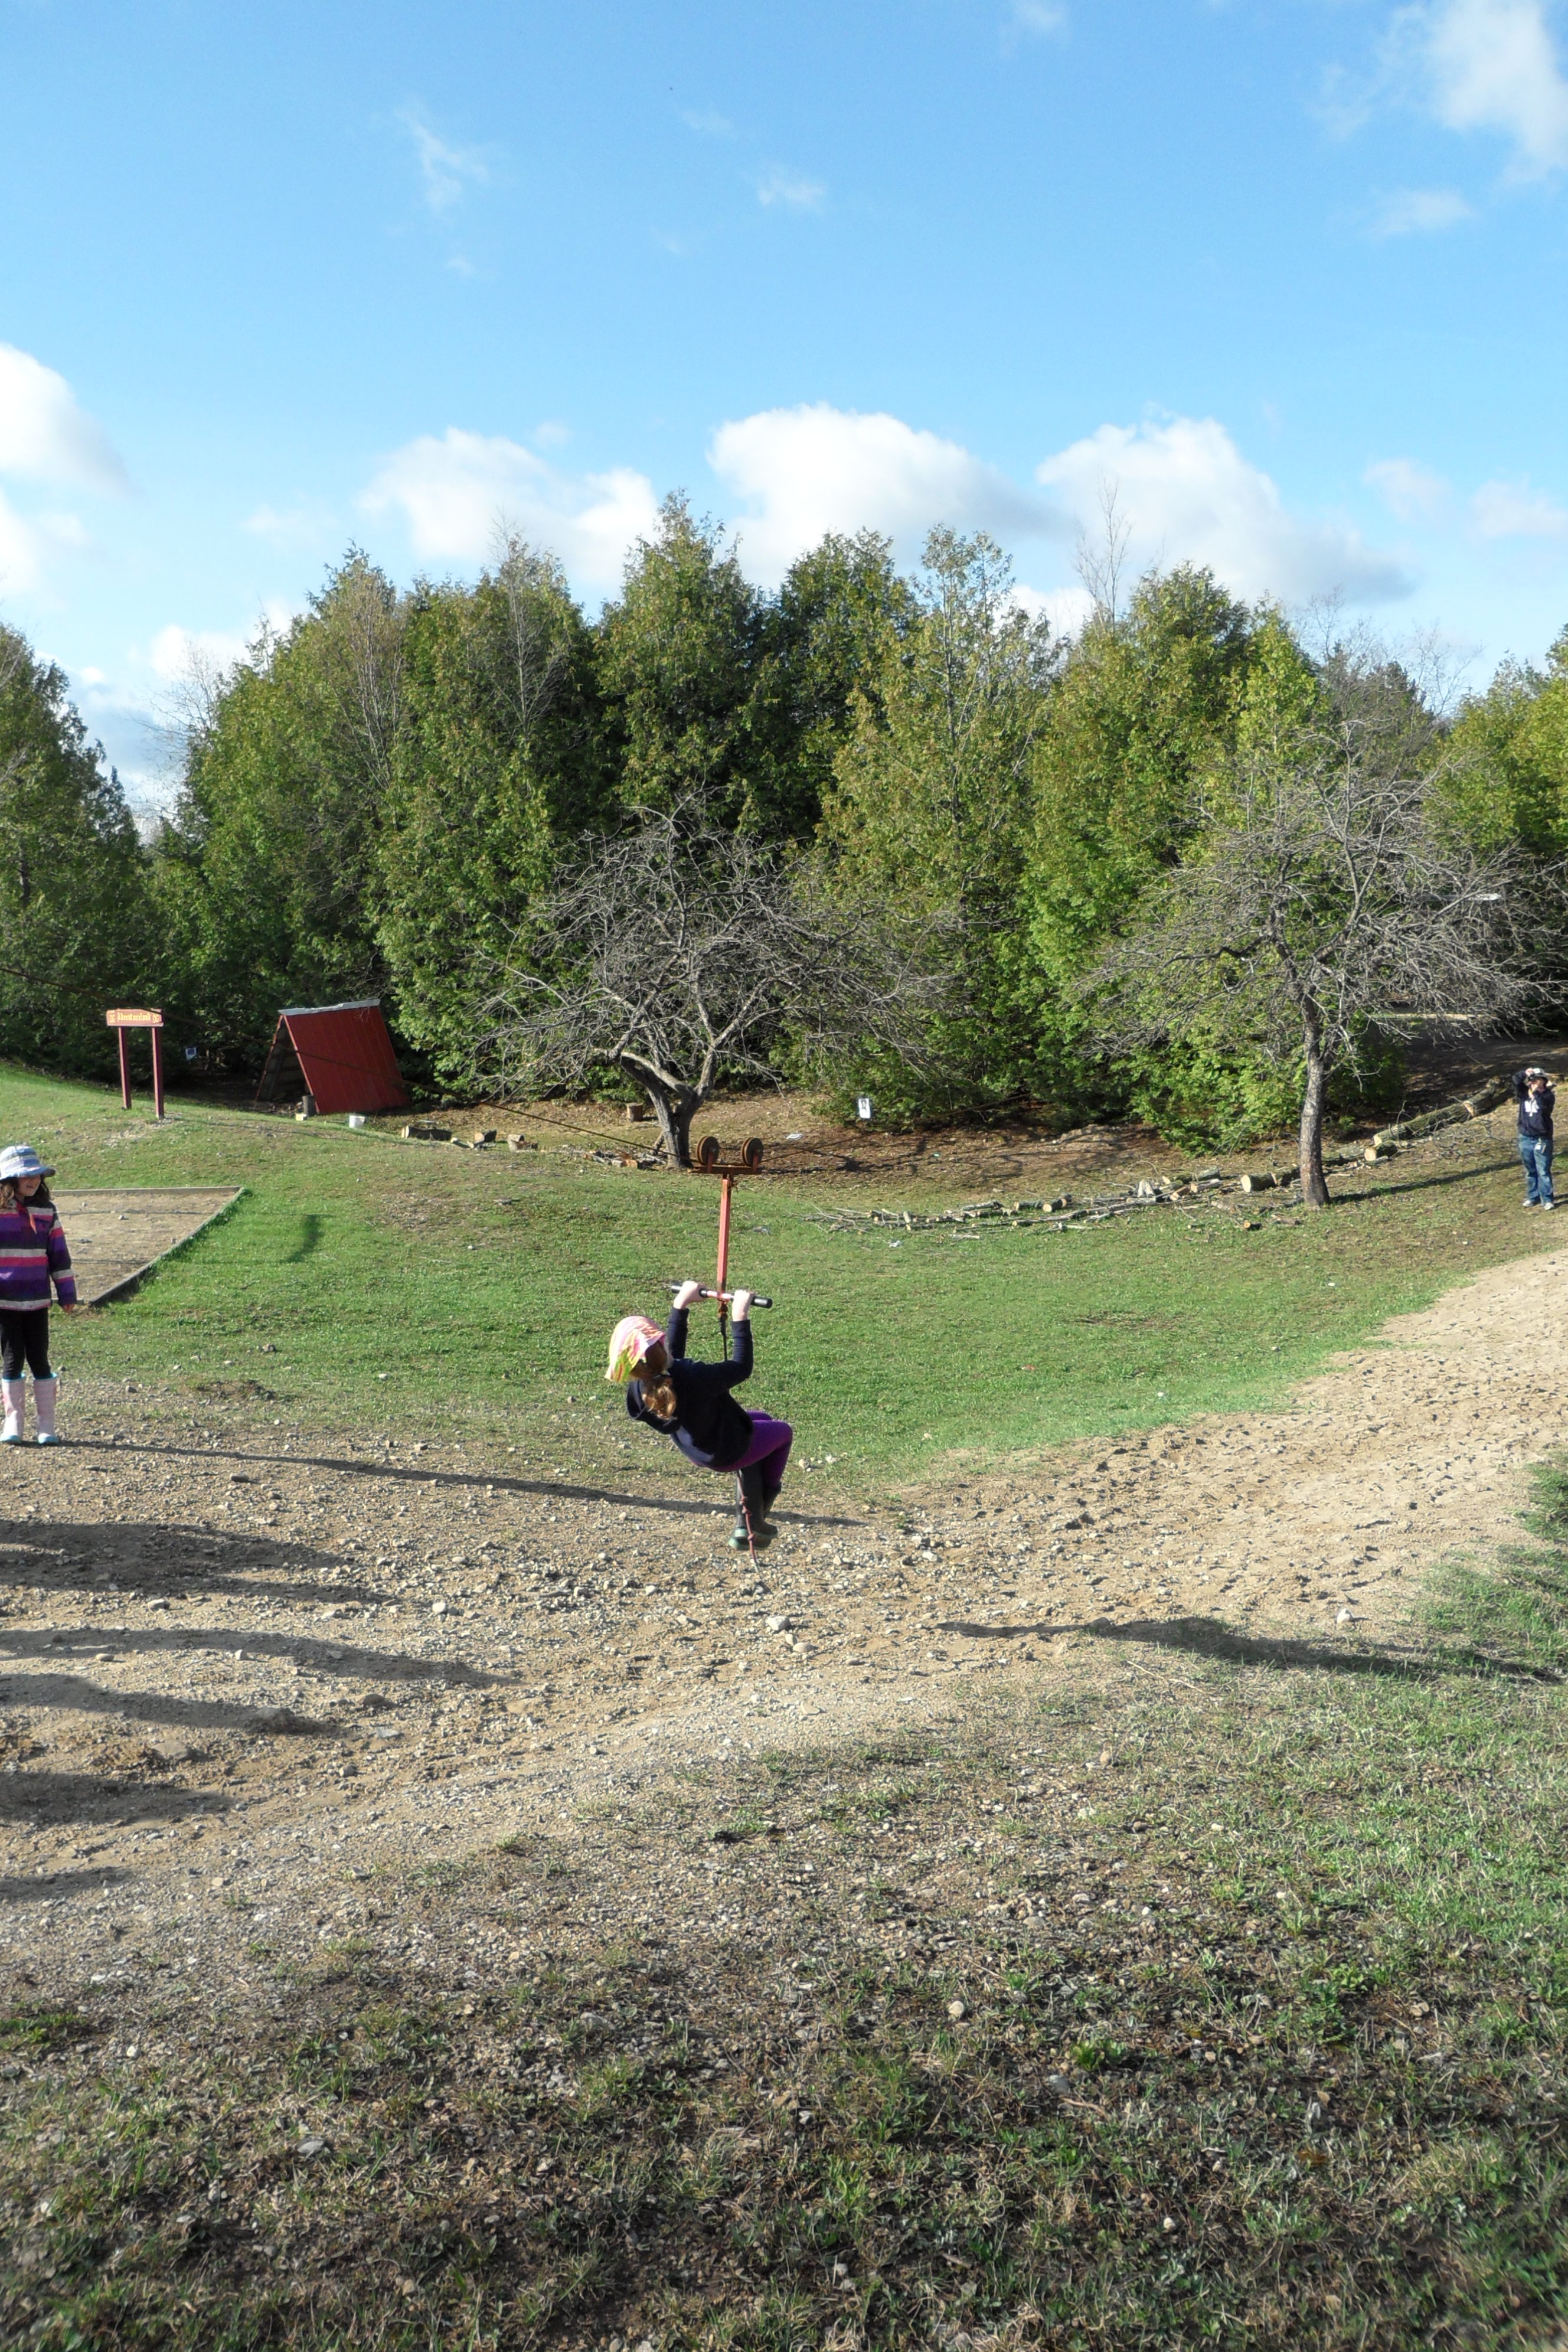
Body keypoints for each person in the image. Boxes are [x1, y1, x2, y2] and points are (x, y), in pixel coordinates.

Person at [605, 1278, 793, 1550]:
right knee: (783, 1432)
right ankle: (757, 1515)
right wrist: (740, 1317)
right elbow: (741, 1367)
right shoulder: (694, 1378)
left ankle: (748, 1519)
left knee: (761, 1419)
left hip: (697, 1446)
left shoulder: (644, 1386)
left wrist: (681, 1304)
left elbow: (670, 1358)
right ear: (662, 1342)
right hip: (725, 1449)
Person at [0, 1143, 77, 1444]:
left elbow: (59, 1254)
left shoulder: (47, 1211)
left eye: (37, 1175)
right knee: (11, 1359)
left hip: (37, 1301)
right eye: (26, 1175)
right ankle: (13, 1422)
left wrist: (66, 1292)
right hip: (5, 1302)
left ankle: (47, 1425)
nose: (33, 1180)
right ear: (10, 1179)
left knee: (39, 1359)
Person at [1513, 1066, 1556, 1211]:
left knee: (1543, 1170)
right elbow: (1516, 1080)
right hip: (1525, 1137)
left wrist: (1537, 1091)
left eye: (1537, 1080)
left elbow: (1543, 1107)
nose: (1534, 1082)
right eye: (1533, 1080)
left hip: (1542, 1138)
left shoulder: (1548, 1096)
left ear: (1544, 1081)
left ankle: (1547, 1199)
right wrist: (1525, 1073)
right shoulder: (1524, 1093)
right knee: (1530, 1170)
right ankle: (1533, 1196)